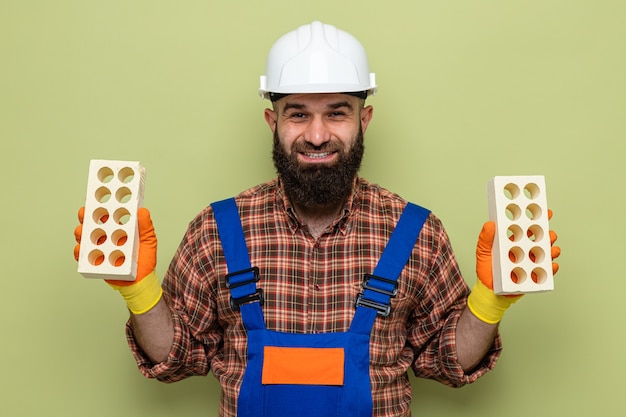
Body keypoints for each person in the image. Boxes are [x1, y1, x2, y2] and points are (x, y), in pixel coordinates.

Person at [74, 21, 560, 417]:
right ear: (274, 122)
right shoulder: (216, 230)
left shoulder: (417, 232)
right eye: (298, 114)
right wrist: (138, 290)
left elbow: (448, 363)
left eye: (338, 112)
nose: (317, 134)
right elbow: (176, 359)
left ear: (364, 120)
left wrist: (492, 301)